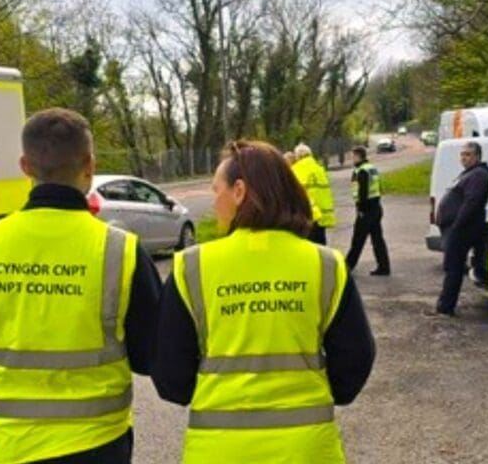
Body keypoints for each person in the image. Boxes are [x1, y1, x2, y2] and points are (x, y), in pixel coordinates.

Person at [0, 108, 161, 464]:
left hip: (14, 448)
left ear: (25, 166)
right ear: (89, 164)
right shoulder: (120, 251)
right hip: (99, 444)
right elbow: (151, 356)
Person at [151, 140, 375, 463]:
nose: (214, 202)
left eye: (216, 191)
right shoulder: (326, 265)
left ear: (239, 191)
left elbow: (170, 376)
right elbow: (356, 358)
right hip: (306, 450)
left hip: (219, 451)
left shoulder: (192, 267)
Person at [431, 141, 488, 316]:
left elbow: (471, 203)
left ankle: (445, 307)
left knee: (453, 268)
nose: (464, 158)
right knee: (452, 267)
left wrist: (457, 225)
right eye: (462, 154)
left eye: (468, 154)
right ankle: (445, 306)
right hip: (457, 228)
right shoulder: (470, 174)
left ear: (477, 156)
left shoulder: (479, 175)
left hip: (463, 229)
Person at [345, 146, 391, 275]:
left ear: (358, 156)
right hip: (376, 207)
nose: (352, 159)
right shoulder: (371, 168)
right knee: (377, 240)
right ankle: (384, 267)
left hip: (366, 210)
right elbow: (378, 188)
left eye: (353, 156)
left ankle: (347, 267)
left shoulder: (362, 171)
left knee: (357, 240)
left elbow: (363, 192)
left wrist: (361, 209)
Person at [291, 143, 337, 245]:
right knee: (321, 244)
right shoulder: (319, 169)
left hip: (309, 213)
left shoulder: (297, 169)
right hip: (322, 214)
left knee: (310, 245)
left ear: (298, 156)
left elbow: (296, 193)